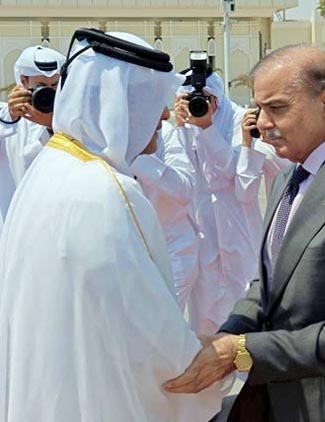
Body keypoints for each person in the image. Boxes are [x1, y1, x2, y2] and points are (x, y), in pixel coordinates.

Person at [164, 44, 325, 422]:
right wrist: (228, 335)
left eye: (277, 108)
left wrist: (241, 352)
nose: (263, 123)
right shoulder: (289, 177)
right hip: (285, 400)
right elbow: (268, 283)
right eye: (259, 109)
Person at [0, 30, 227, 421]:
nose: (163, 116)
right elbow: (148, 334)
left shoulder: (53, 165)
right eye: (153, 102)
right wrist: (219, 360)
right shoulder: (105, 191)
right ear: (120, 103)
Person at [174, 71, 269, 336]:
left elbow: (238, 181)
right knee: (205, 312)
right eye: (194, 99)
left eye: (207, 98)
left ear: (218, 97)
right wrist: (181, 128)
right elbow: (186, 173)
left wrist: (207, 130)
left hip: (239, 225)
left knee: (245, 303)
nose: (202, 105)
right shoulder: (187, 123)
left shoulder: (241, 119)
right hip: (205, 231)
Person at [132, 120, 199, 311]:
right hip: (127, 254)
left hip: (173, 251)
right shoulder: (97, 140)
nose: (166, 114)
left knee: (164, 320)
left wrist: (135, 157)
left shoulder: (166, 133)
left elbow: (184, 190)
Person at [0, 45, 65, 226]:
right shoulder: (5, 115)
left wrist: (52, 125)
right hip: (11, 223)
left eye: (54, 86)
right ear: (23, 81)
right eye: (40, 87)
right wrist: (10, 117)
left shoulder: (70, 121)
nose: (48, 93)